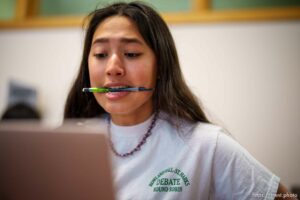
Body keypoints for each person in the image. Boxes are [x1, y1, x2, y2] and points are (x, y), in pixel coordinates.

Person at [64, 2, 295, 199]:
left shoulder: (206, 144)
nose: (113, 68)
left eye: (131, 54)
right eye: (101, 54)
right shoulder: (67, 142)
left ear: (161, 65)